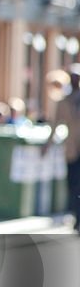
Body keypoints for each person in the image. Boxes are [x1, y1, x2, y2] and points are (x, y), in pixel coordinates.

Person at [48, 64, 80, 231]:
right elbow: (55, 124)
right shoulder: (63, 102)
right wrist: (47, 145)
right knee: (73, 184)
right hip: (72, 150)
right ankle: (76, 216)